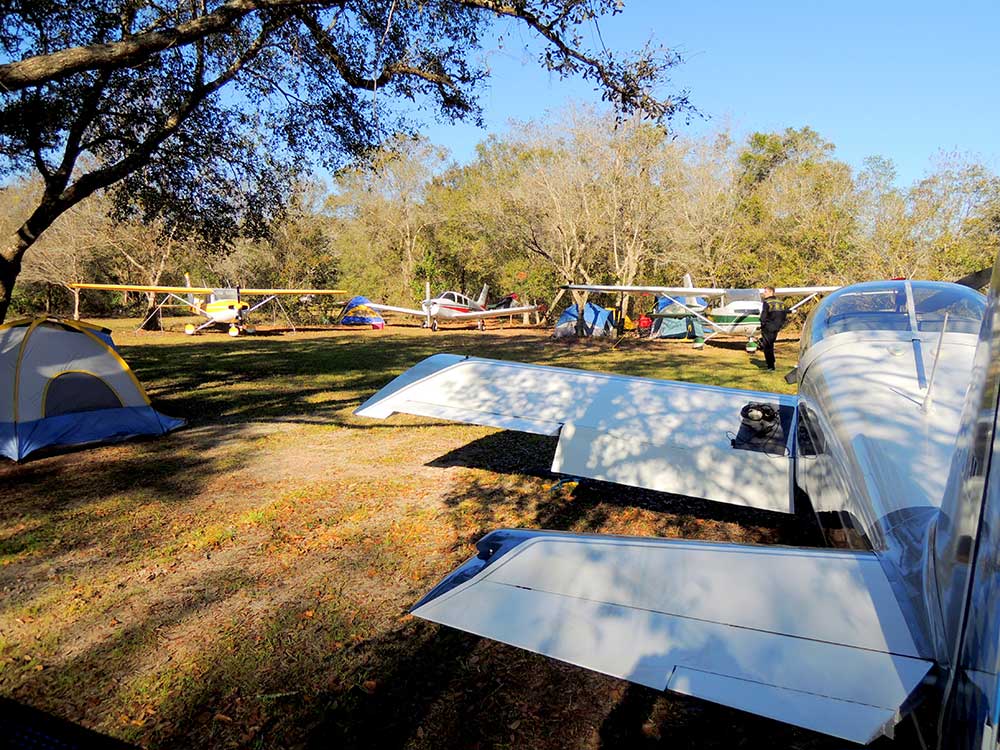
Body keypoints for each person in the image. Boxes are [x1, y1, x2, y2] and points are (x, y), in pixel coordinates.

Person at [758, 287, 789, 371]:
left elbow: (764, 315)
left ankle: (770, 366)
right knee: (771, 344)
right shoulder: (781, 303)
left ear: (771, 292)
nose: (764, 293)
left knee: (767, 346)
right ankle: (772, 362)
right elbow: (784, 314)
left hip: (768, 327)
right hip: (777, 327)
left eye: (765, 292)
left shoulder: (767, 302)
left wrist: (762, 324)